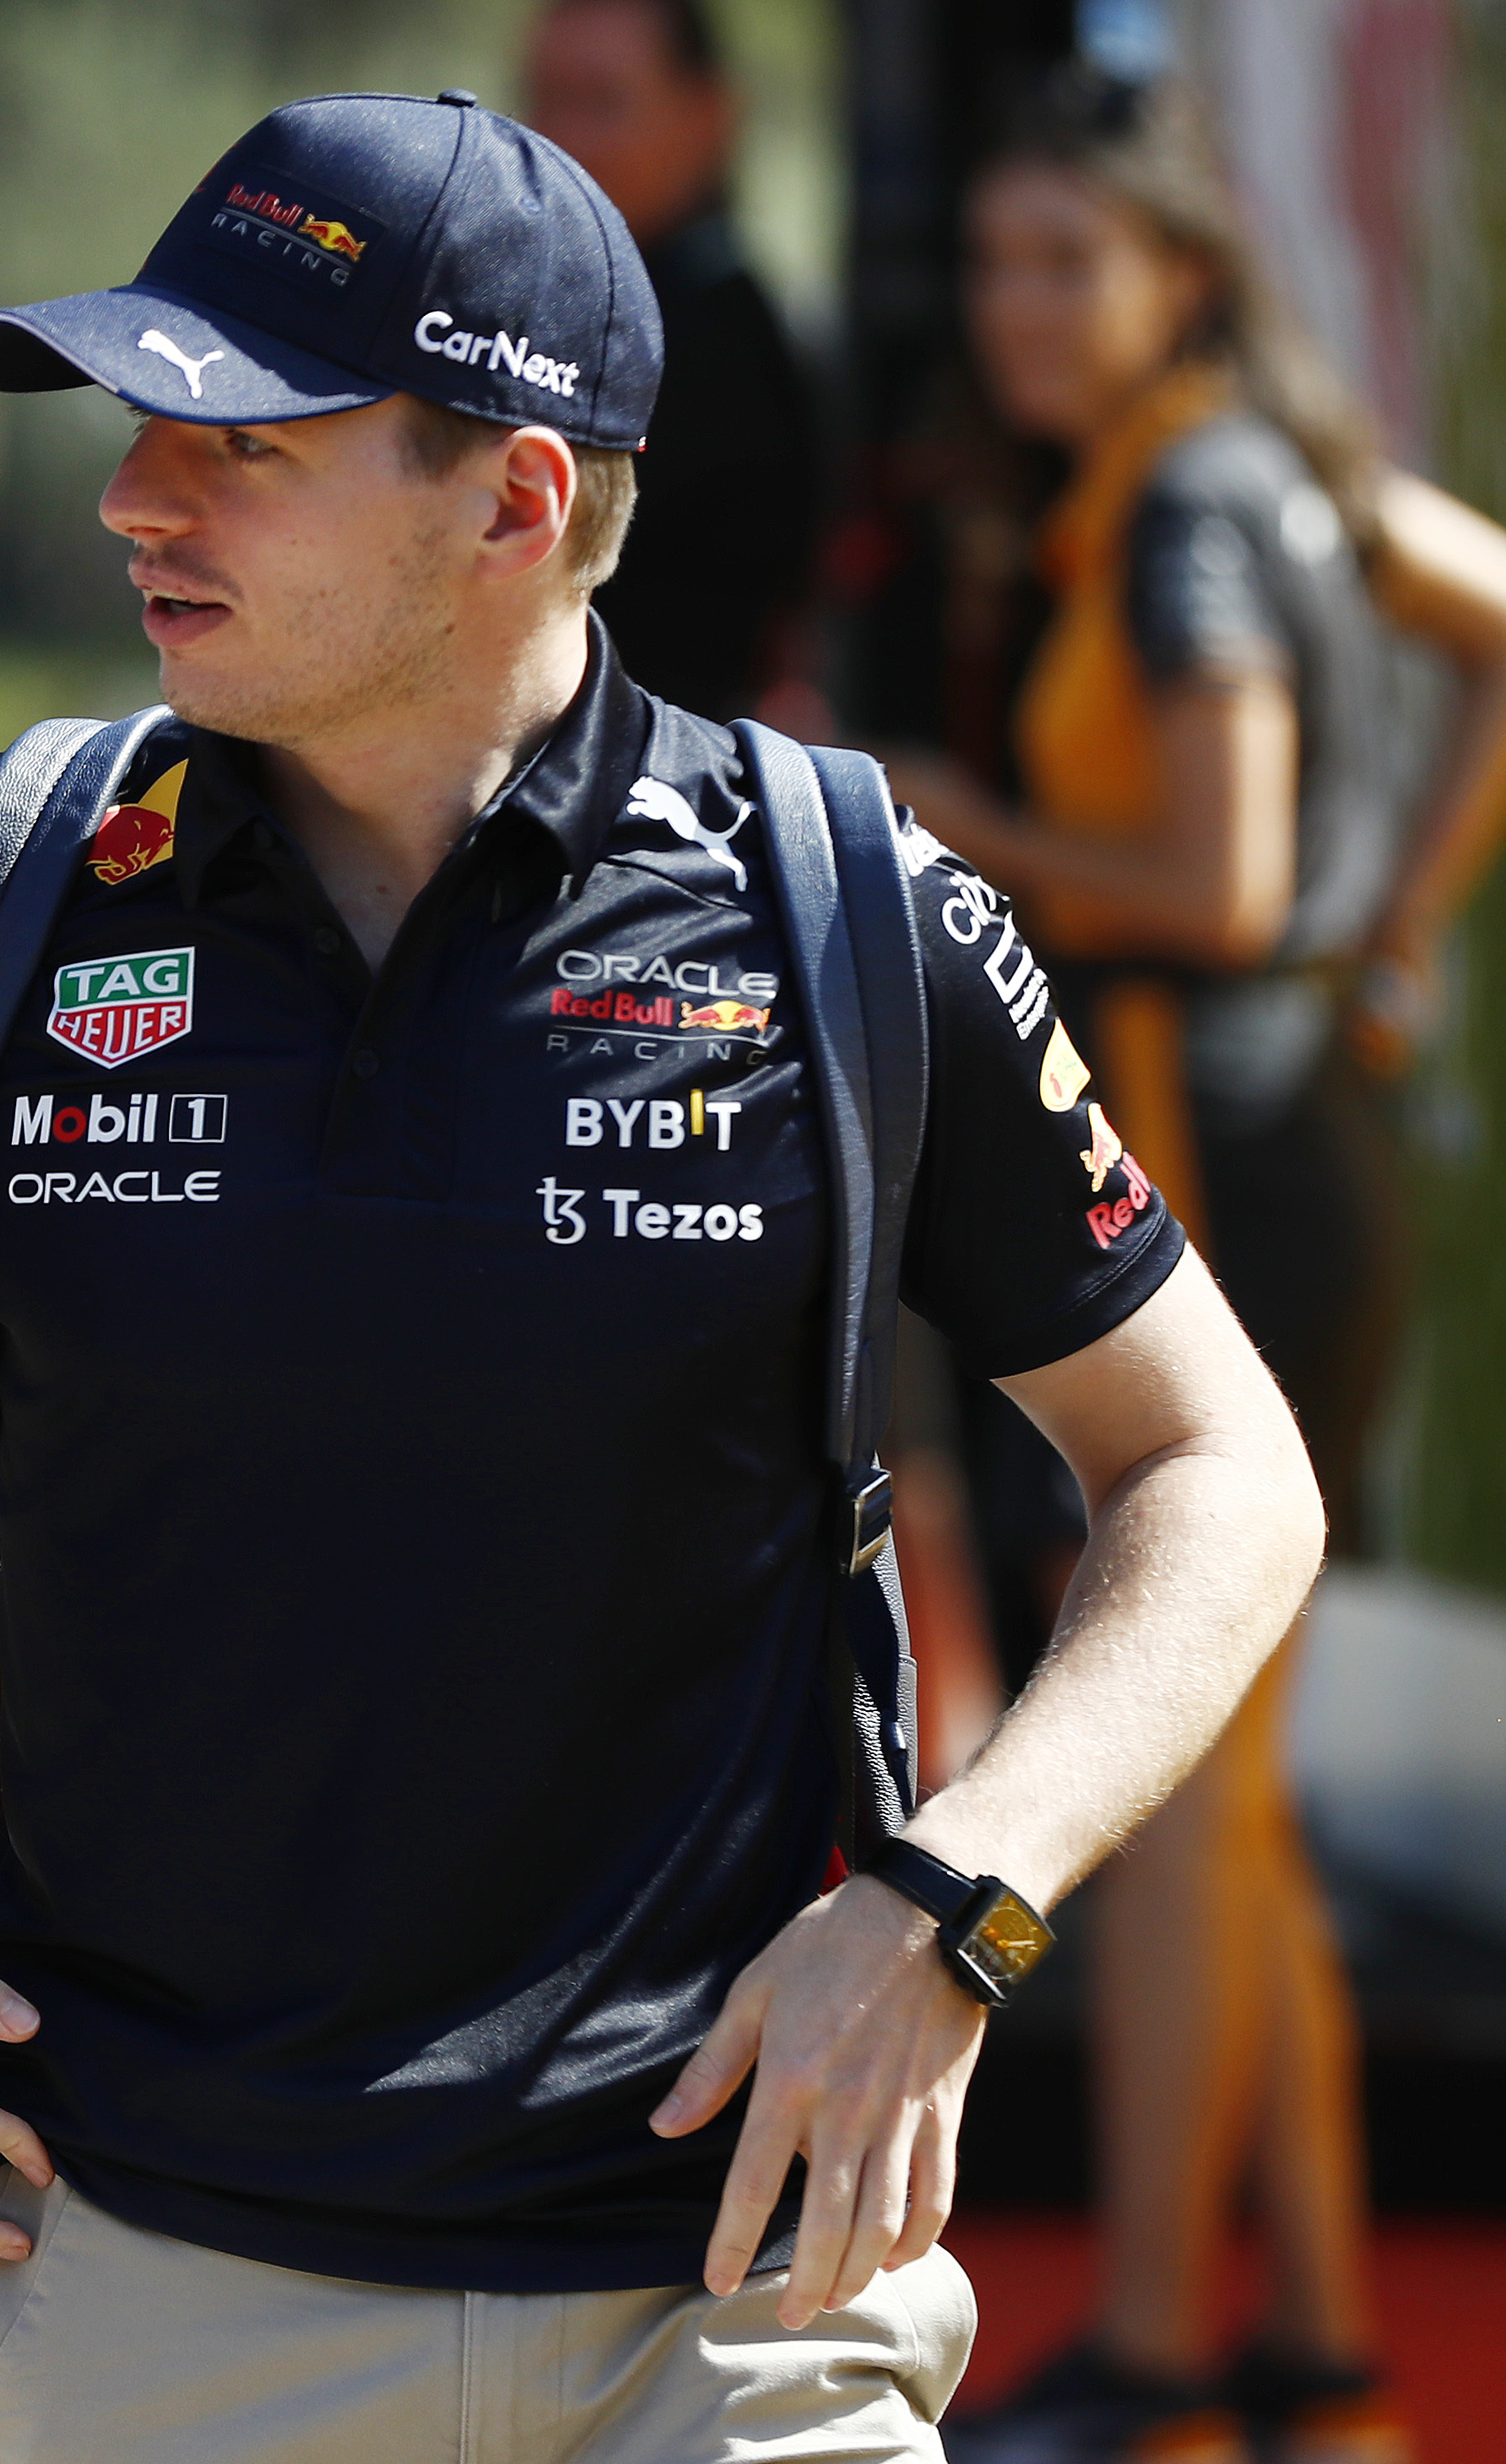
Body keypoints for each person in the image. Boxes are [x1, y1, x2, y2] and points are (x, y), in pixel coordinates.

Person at [0, 89, 1327, 2459]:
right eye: (138, 422)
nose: (139, 493)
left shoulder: (845, 906)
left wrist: (967, 1895)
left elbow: (1216, 1464)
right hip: (136, 2279)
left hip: (734, 2304)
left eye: (239, 438)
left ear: (517, 497)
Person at [884, 72, 1506, 2464]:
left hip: (1217, 1155)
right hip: (1273, 1138)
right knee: (1233, 1786)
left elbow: (1222, 880)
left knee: (1161, 1770)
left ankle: (1155, 2356)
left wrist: (965, 827)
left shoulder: (1194, 516)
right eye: (993, 260)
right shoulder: (1263, 480)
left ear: (1185, 277)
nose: (1016, 309)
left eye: (1069, 262)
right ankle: (1313, 2347)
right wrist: (1407, 932)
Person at [522, 0, 822, 725]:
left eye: (603, 101)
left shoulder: (708, 336)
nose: (560, 138)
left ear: (708, 118)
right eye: (546, 100)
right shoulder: (592, 306)